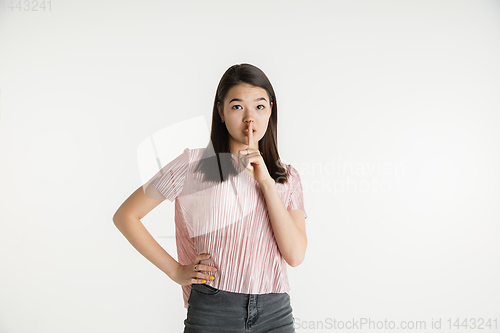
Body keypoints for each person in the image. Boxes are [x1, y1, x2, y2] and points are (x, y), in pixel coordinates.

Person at [113, 63, 307, 332]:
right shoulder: (194, 165)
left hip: (275, 313)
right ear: (221, 111)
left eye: (259, 106)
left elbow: (295, 255)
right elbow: (126, 216)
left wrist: (265, 181)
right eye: (237, 106)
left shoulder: (287, 177)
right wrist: (175, 271)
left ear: (271, 109)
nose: (250, 119)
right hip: (214, 307)